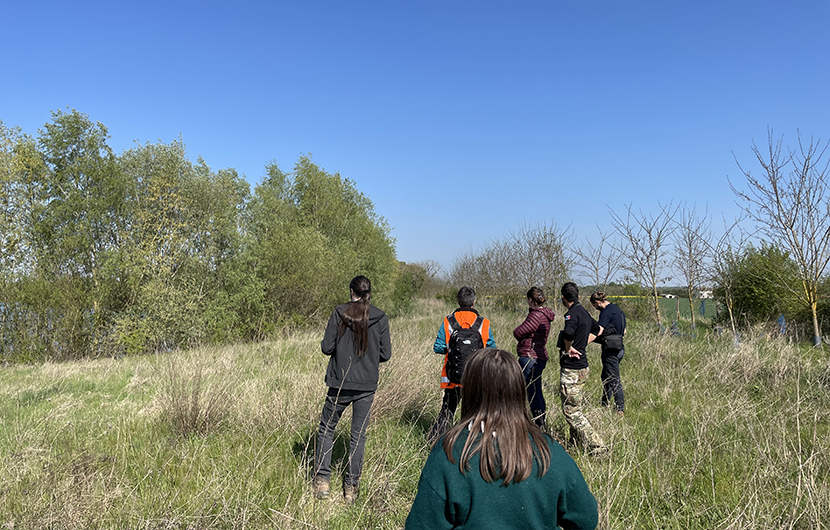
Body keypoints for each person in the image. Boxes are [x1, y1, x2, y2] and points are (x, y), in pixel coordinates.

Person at [405, 348, 598, 530]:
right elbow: (586, 520)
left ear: (468, 391)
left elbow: (421, 524)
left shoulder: (449, 453)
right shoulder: (548, 451)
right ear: (519, 391)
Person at [313, 275, 391, 503]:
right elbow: (386, 354)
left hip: (339, 383)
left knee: (327, 429)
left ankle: (322, 482)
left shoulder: (339, 313)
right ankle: (351, 488)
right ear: (368, 293)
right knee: (358, 436)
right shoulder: (380, 317)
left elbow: (327, 348)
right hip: (366, 385)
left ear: (351, 292)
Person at [428, 286, 496, 441]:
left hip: (452, 378)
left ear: (458, 301)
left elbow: (438, 347)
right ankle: (474, 443)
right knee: (475, 413)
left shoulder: (448, 321)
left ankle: (435, 442)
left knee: (447, 411)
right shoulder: (483, 323)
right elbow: (491, 349)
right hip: (476, 378)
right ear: (474, 302)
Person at [556, 282, 607, 455]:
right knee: (574, 405)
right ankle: (575, 442)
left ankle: (598, 446)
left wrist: (570, 347)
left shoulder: (572, 315)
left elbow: (569, 333)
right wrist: (583, 343)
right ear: (577, 296)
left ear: (563, 297)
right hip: (582, 367)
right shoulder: (584, 312)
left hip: (572, 369)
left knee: (571, 411)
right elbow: (599, 328)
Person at [512, 286, 556, 430]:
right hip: (537, 356)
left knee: (528, 392)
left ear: (530, 300)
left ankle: (535, 424)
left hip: (530, 356)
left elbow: (519, 332)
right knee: (535, 390)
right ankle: (539, 423)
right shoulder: (545, 314)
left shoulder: (536, 315)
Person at [589, 291, 626, 416]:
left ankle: (619, 409)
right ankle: (604, 403)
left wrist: (584, 342)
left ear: (597, 302)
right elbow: (624, 331)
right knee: (606, 377)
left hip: (610, 351)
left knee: (614, 379)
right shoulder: (618, 310)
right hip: (620, 348)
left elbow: (599, 331)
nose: (595, 308)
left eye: (595, 306)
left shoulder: (606, 312)